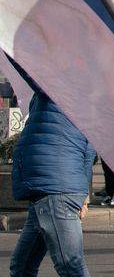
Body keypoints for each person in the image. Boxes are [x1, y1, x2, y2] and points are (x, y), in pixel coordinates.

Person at [8, 75, 95, 277]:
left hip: (55, 191)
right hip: (53, 191)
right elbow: (89, 150)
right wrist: (83, 196)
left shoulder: (61, 84)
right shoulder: (84, 96)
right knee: (22, 266)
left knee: (70, 266)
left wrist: (7, 44)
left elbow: (27, 68)